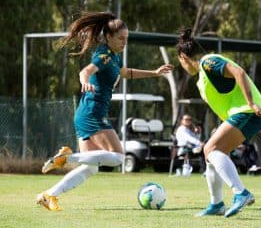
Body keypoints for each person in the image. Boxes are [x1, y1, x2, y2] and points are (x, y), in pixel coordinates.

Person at [36, 11, 173, 211]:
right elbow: (86, 71)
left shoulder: (114, 57)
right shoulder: (103, 55)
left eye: (126, 39)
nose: (124, 42)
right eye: (120, 38)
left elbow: (125, 73)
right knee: (118, 156)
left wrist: (154, 73)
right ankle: (66, 158)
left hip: (86, 113)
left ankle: (49, 195)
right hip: (92, 113)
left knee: (90, 167)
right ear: (108, 37)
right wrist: (84, 82)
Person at [176, 28, 261, 218]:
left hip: (246, 111)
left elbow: (239, 73)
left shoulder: (208, 62)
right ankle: (216, 204)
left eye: (180, 62)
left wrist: (252, 105)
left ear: (183, 58)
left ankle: (240, 193)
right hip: (247, 114)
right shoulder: (202, 79)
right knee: (211, 154)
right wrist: (259, 119)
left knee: (210, 149)